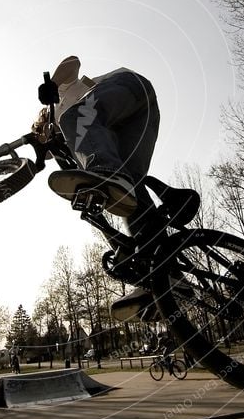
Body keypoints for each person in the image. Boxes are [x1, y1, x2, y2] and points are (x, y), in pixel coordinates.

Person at [34, 56, 196, 324]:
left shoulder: (60, 106)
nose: (47, 141)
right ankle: (166, 274)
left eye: (42, 133)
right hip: (138, 118)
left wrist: (53, 84)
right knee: (129, 190)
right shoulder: (85, 140)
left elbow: (72, 63)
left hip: (128, 87)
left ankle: (110, 173)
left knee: (74, 119)